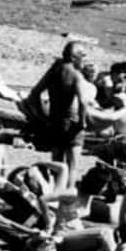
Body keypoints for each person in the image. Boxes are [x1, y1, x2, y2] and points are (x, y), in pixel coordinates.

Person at [24, 42, 89, 187]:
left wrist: (41, 115)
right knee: (72, 166)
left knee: (57, 163)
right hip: (72, 122)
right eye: (82, 56)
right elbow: (83, 102)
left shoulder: (55, 69)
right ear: (74, 58)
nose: (84, 59)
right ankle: (67, 197)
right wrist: (82, 122)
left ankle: (56, 192)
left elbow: (34, 94)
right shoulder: (76, 75)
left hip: (55, 120)